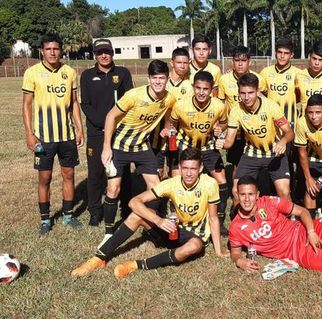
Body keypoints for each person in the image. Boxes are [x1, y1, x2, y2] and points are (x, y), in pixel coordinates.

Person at [71, 148, 228, 278]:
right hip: (172, 230)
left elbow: (213, 218)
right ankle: (99, 258)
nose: (188, 173)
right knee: (136, 215)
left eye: (193, 169)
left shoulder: (210, 183)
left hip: (195, 237)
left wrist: (219, 251)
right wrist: (158, 221)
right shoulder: (172, 183)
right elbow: (134, 202)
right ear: (179, 167)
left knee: (194, 246)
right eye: (185, 168)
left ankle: (136, 265)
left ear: (200, 169)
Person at [98, 60, 177, 245]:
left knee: (156, 188)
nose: (158, 82)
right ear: (148, 78)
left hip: (142, 146)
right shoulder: (133, 95)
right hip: (120, 146)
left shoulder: (169, 98)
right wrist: (106, 147)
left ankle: (149, 222)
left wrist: (166, 129)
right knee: (113, 188)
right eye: (155, 78)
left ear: (167, 79)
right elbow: (110, 116)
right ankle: (109, 232)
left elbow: (168, 117)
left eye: (162, 78)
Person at [22, 34, 85, 235]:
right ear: (42, 50)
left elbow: (74, 103)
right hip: (43, 137)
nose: (52, 52)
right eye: (48, 49)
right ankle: (45, 219)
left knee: (69, 174)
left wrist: (79, 128)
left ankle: (68, 215)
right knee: (45, 178)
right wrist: (30, 134)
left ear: (61, 50)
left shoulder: (70, 72)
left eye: (56, 49)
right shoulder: (32, 73)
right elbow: (26, 105)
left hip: (66, 136)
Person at [165, 71, 229, 236]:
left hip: (207, 147)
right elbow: (171, 122)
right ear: (193, 87)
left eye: (205, 89)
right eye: (198, 88)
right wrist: (169, 131)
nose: (201, 92)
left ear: (211, 90)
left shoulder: (219, 106)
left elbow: (224, 123)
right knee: (177, 181)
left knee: (222, 182)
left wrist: (219, 129)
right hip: (184, 146)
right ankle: (175, 218)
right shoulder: (181, 105)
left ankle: (219, 221)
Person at [80, 39, 134, 226]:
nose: (104, 55)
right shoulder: (87, 75)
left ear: (112, 53)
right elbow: (85, 104)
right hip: (96, 132)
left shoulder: (123, 73)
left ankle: (126, 209)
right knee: (95, 174)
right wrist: (102, 123)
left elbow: (129, 101)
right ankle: (95, 211)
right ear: (95, 54)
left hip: (120, 132)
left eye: (107, 52)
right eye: (100, 52)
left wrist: (115, 124)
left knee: (123, 173)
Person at [216, 73, 294, 203]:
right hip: (252, 154)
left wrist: (283, 141)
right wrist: (222, 144)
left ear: (257, 91)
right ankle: (240, 221)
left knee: (284, 191)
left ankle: (291, 220)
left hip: (275, 153)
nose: (246, 97)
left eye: (250, 93)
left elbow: (289, 132)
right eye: (243, 93)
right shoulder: (236, 111)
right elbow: (229, 141)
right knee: (236, 191)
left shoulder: (271, 106)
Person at [260, 38, 301, 126]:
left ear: (291, 55)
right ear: (275, 53)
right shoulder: (265, 72)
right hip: (271, 120)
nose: (282, 56)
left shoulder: (298, 74)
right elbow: (262, 92)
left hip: (291, 121)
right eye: (279, 52)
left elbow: (300, 95)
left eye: (286, 53)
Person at [295, 41, 322, 121]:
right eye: (314, 58)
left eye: (320, 60)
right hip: (305, 126)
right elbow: (296, 97)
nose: (316, 63)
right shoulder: (299, 76)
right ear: (309, 57)